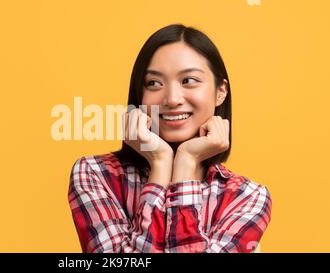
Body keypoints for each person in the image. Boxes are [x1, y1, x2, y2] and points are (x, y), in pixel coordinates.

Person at [68, 24, 272, 253]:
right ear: (139, 94)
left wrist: (186, 163)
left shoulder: (246, 197)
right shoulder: (96, 174)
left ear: (220, 92)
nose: (172, 99)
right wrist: (160, 162)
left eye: (189, 80)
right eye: (154, 83)